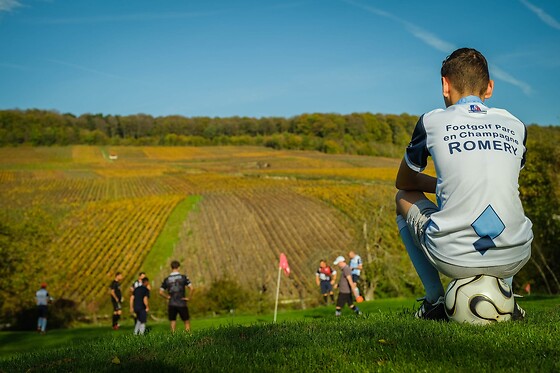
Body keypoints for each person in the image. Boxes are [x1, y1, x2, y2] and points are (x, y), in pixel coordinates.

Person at [395, 48, 533, 321]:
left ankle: (434, 299)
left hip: (453, 257)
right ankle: (506, 292)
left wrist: (443, 184)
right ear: (489, 88)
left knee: (403, 196)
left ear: (445, 85)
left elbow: (405, 181)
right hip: (516, 254)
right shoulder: (516, 125)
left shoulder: (432, 121)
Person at [159, 260, 195, 332]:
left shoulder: (167, 279)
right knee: (186, 321)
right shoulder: (183, 277)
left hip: (171, 303)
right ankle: (188, 336)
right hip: (182, 302)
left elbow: (160, 292)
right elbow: (192, 288)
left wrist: (167, 297)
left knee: (172, 321)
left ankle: (173, 338)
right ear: (178, 267)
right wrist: (189, 297)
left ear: (171, 267)